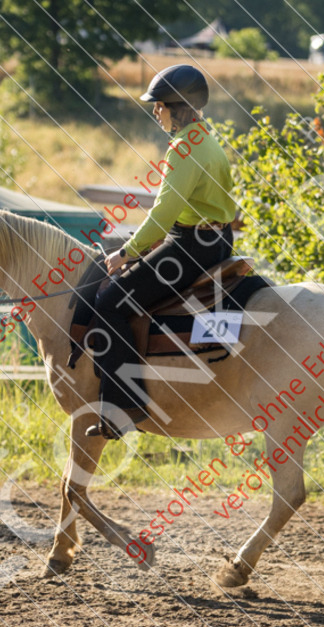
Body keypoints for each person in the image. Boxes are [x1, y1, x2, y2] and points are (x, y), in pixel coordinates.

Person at [86, 64, 237, 440]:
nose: (156, 111)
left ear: (177, 106)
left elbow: (163, 213)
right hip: (218, 240)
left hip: (189, 247)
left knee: (109, 302)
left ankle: (123, 408)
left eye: (160, 105)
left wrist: (126, 252)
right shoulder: (206, 139)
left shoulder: (184, 148)